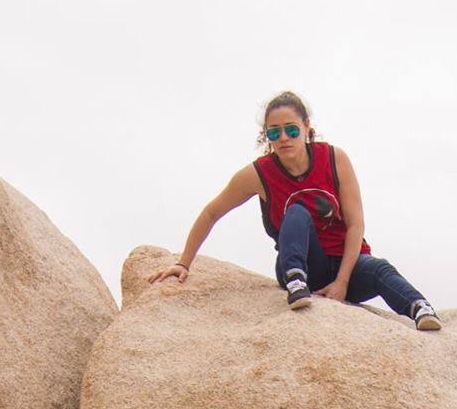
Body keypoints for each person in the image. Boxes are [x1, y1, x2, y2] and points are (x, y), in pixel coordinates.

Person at [148, 89, 442, 329]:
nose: (284, 138)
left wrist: (341, 283)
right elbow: (212, 212)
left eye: (291, 129)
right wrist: (184, 263)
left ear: (306, 129)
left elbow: (355, 224)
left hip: (346, 267)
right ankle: (295, 281)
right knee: (298, 212)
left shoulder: (334, 159)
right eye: (274, 133)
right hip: (302, 266)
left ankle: (419, 308)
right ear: (266, 137)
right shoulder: (258, 174)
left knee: (378, 268)